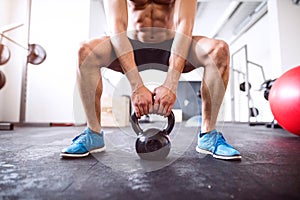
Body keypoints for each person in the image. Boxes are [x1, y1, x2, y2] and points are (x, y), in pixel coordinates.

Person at [60, 0, 242, 160]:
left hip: (172, 45)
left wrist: (171, 83)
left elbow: (184, 26)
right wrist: (136, 86)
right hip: (131, 45)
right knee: (85, 51)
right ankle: (93, 134)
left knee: (219, 51)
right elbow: (117, 29)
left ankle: (208, 136)